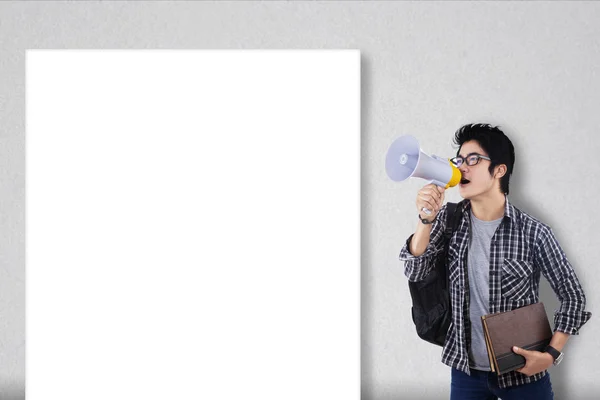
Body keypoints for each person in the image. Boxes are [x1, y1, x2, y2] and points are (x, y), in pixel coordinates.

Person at [399, 123, 591, 400]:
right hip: (466, 372)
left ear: (499, 170)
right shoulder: (448, 221)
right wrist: (426, 218)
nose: (462, 167)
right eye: (459, 160)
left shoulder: (533, 232)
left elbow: (573, 296)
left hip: (524, 373)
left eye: (473, 159)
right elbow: (414, 270)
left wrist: (550, 355)